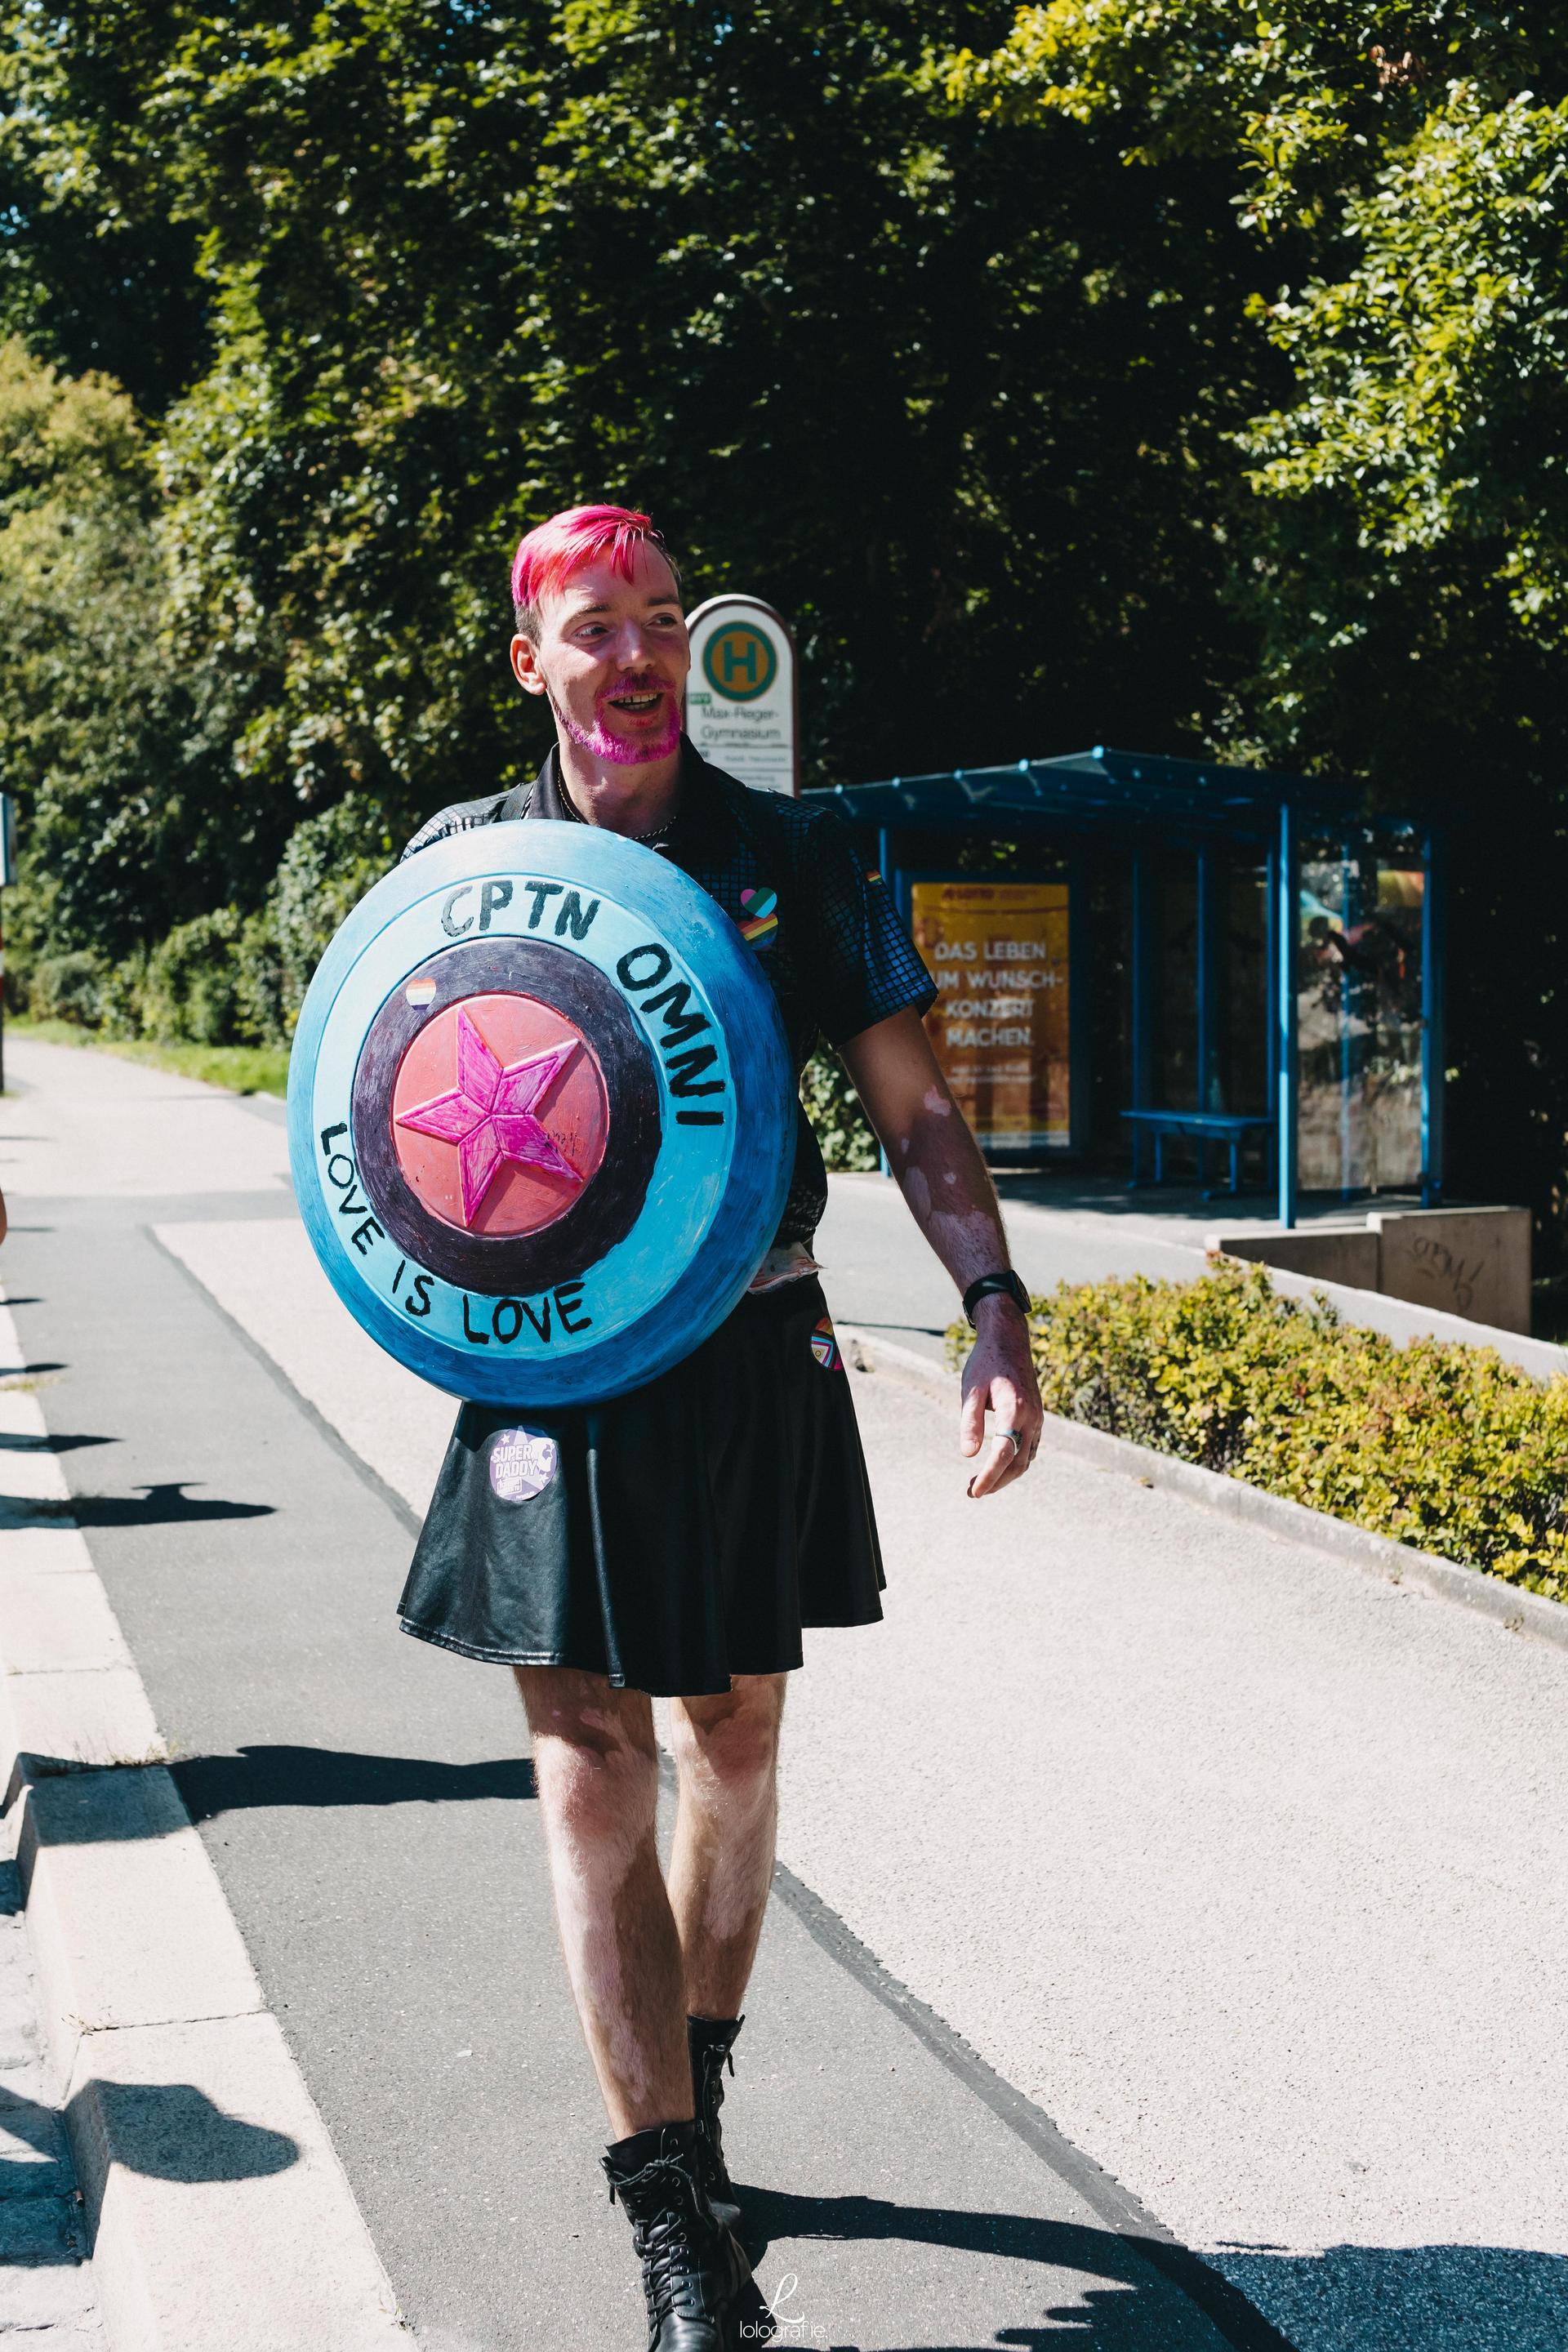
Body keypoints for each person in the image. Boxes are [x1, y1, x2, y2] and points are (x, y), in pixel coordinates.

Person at [399, 504, 1044, 2350]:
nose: (639, 658)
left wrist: (993, 1302)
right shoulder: (461, 868)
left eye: (662, 622)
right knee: (590, 1748)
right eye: (597, 626)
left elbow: (915, 1111)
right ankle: (676, 2223)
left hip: (759, 1343)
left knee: (732, 1735)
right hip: (557, 1376)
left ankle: (696, 2092)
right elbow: (392, 1123)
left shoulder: (792, 860)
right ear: (532, 660)